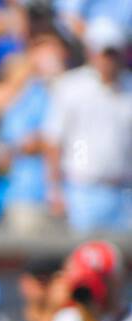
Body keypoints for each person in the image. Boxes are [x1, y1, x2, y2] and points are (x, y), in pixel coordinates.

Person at [42, 19, 132, 232]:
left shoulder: (129, 89)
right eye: (103, 52)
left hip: (124, 192)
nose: (108, 59)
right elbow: (53, 140)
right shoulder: (71, 88)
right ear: (91, 52)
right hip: (82, 190)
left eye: (113, 53)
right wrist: (55, 190)